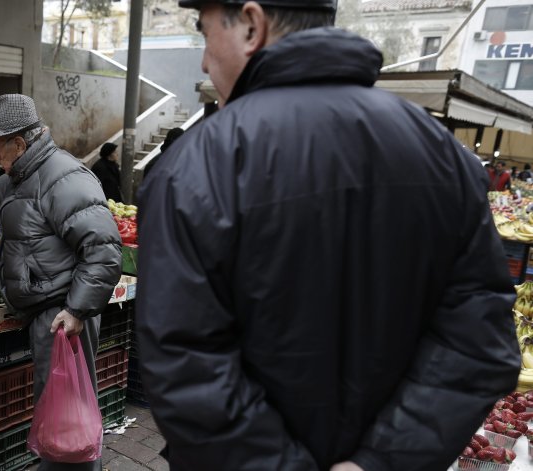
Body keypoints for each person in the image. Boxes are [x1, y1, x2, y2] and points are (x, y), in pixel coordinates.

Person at [135, 1, 520, 470]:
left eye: (205, 31)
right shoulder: (441, 152)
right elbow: (478, 343)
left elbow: (185, 365)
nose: (203, 59)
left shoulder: (195, 167)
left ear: (252, 24)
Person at [0, 94, 121, 470]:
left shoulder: (63, 177)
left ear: (20, 142)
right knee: (58, 404)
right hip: (45, 310)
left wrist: (77, 310)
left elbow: (104, 251)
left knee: (67, 409)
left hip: (62, 313)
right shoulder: (18, 178)